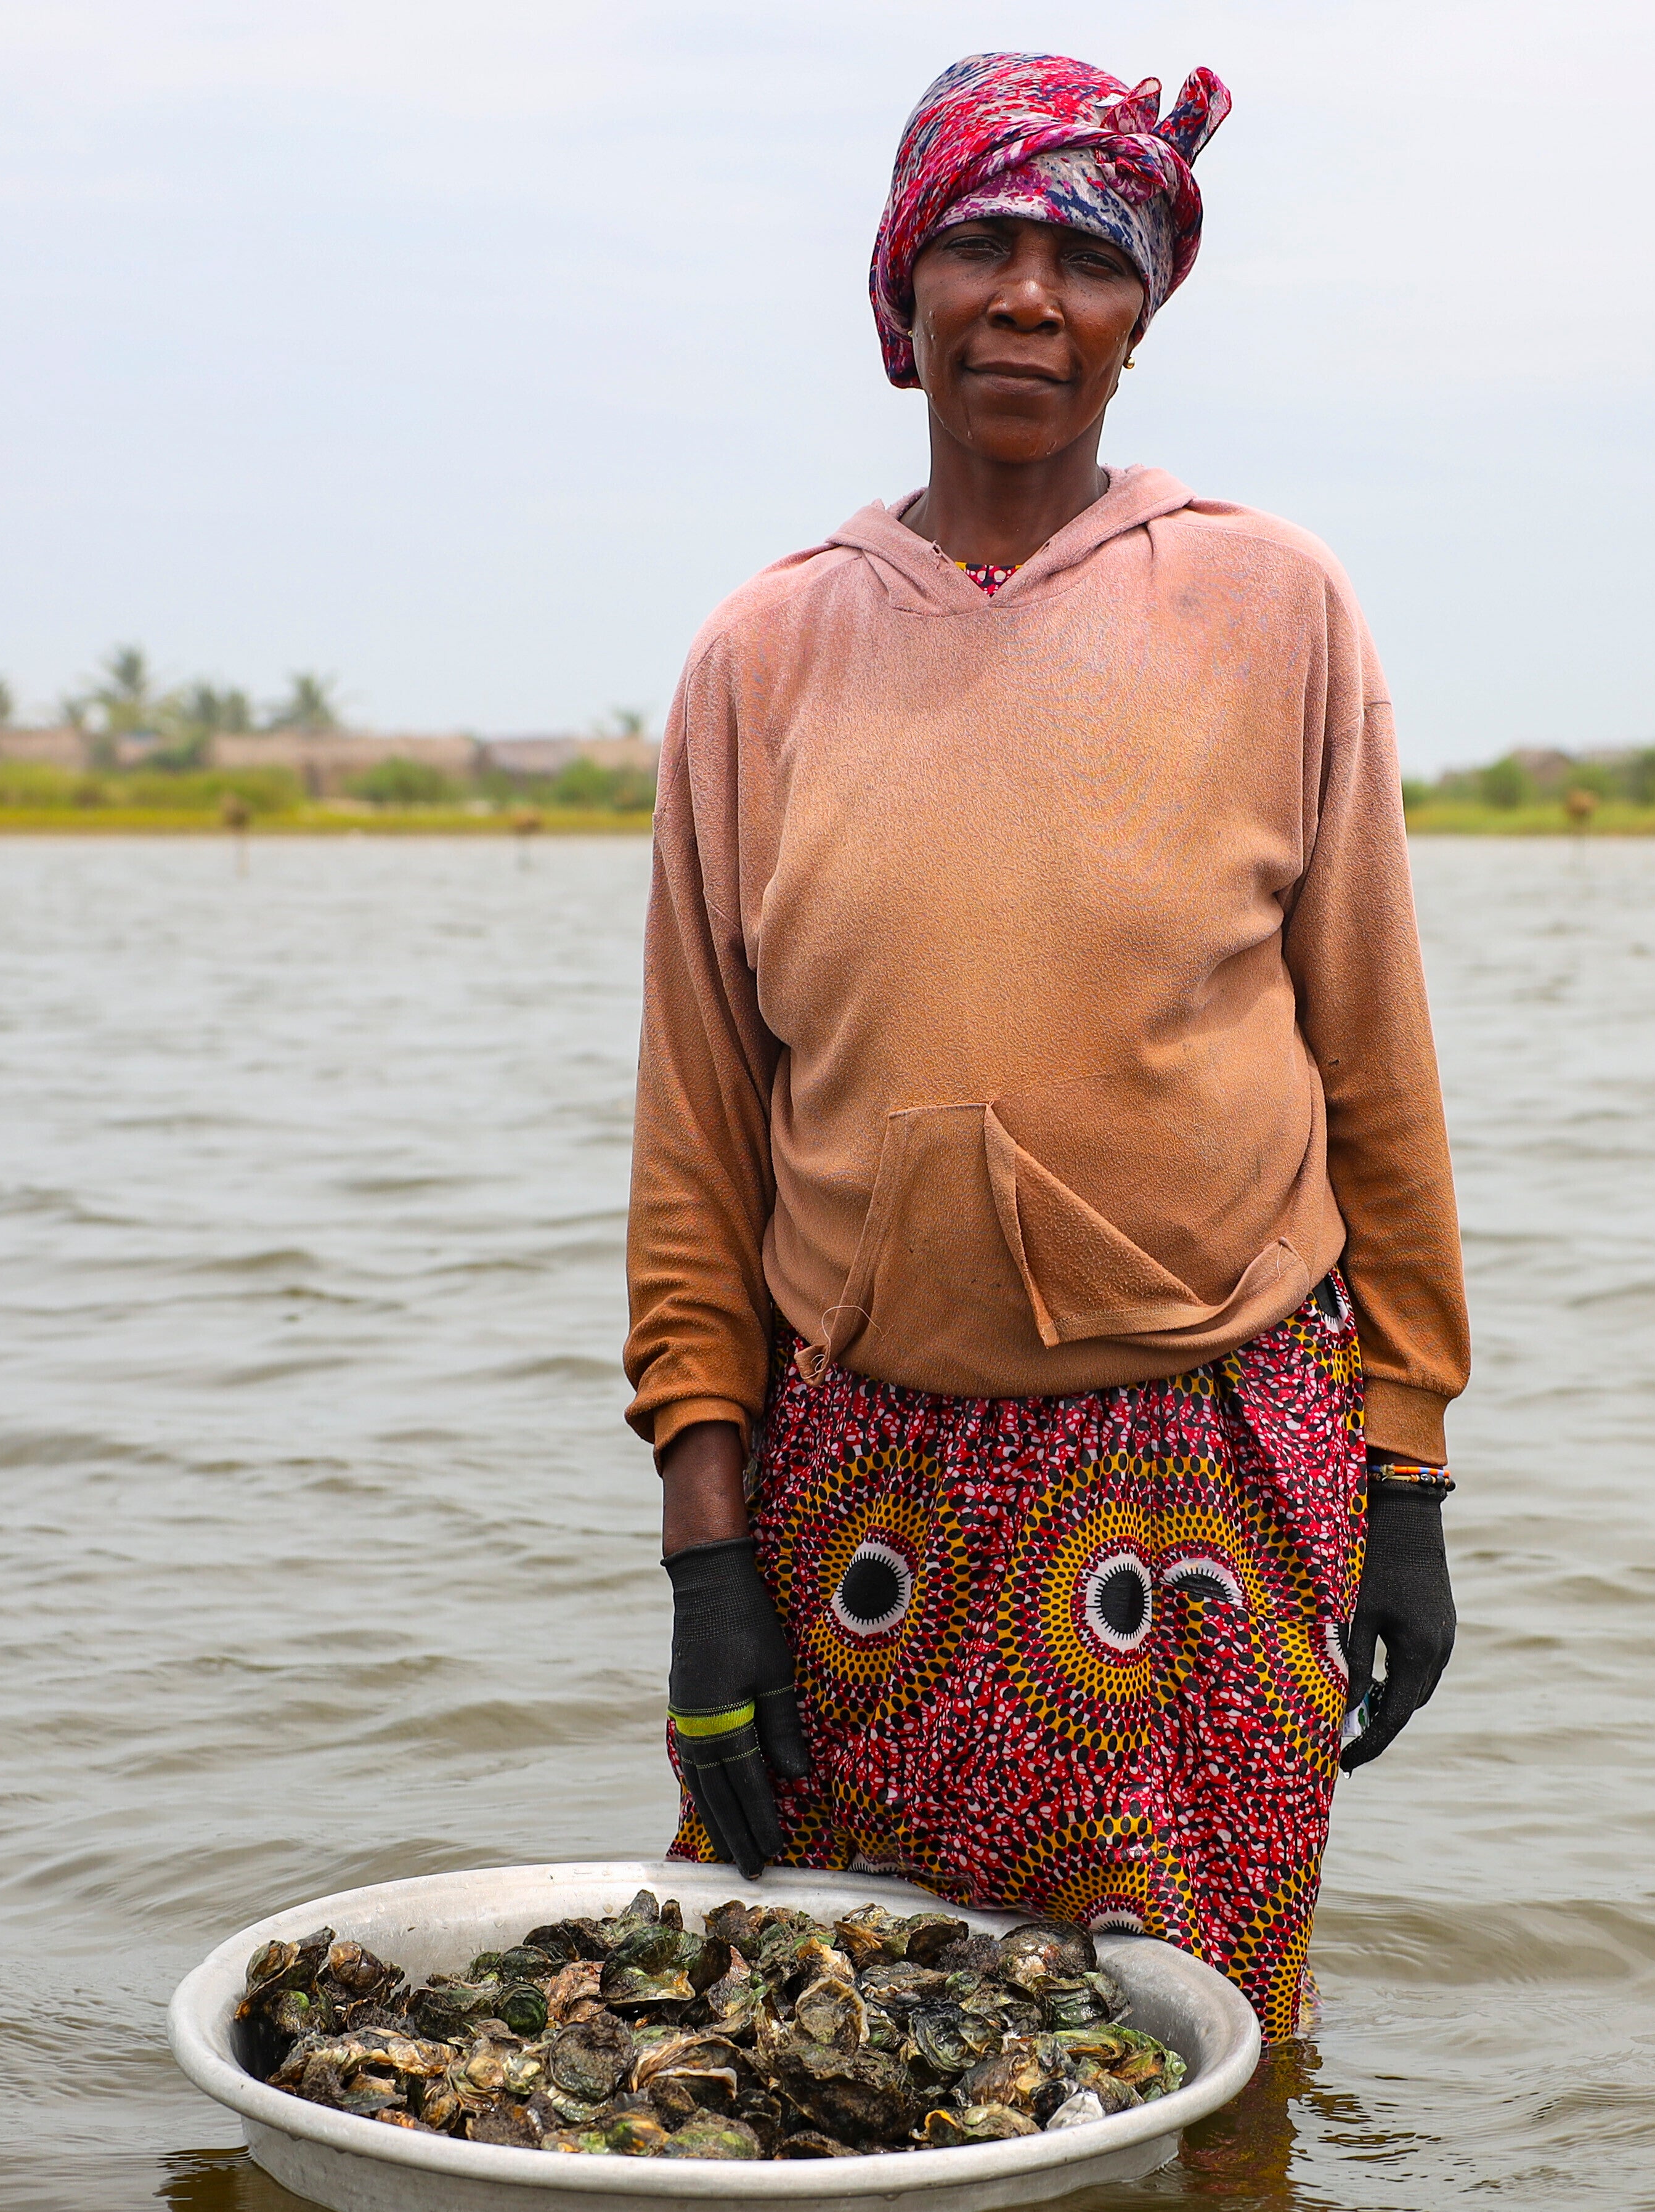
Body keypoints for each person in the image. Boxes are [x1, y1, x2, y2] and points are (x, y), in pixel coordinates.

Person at [621, 51, 1468, 2037]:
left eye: (1084, 255)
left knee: (1205, 2079)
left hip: (1201, 1483)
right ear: (900, 301)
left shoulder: (1272, 609)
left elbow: (1379, 1074)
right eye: (980, 247)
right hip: (856, 1507)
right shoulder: (765, 655)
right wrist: (703, 1567)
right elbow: (697, 1153)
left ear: (1143, 311)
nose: (1029, 296)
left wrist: (1406, 1478)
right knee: (810, 2063)